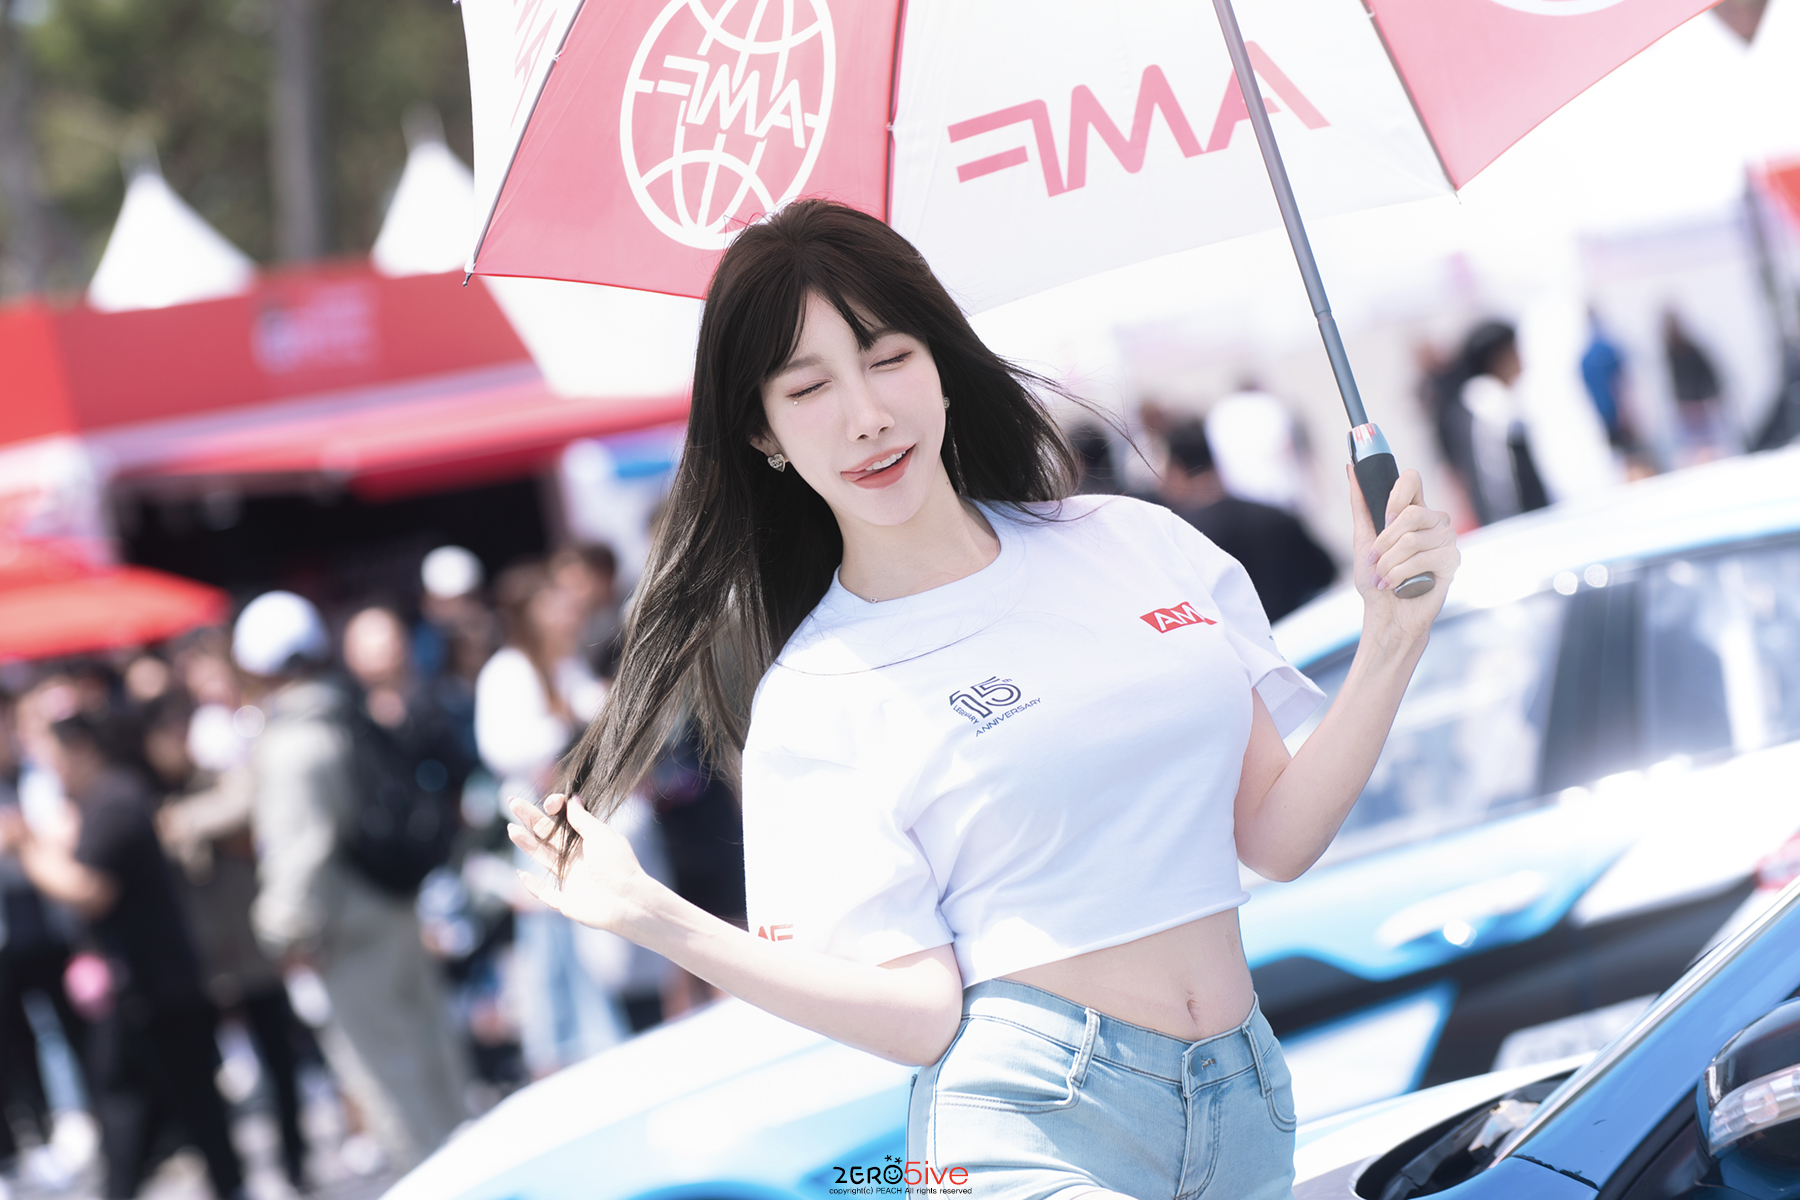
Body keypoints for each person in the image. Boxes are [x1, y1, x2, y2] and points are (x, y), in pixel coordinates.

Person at [502, 201, 1460, 1200]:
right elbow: (919, 1014)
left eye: (888, 359)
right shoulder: (820, 693)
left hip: (1246, 1096)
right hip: (1028, 1130)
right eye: (809, 386)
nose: (866, 415)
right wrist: (654, 918)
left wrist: (1391, 637)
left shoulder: (1134, 544)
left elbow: (1276, 836)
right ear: (763, 431)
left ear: (942, 363)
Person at [236, 591, 467, 1172]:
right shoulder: (347, 710)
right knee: (436, 1060)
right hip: (396, 909)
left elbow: (298, 852)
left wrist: (281, 934)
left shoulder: (291, 741)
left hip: (349, 935)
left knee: (390, 1083)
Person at [0, 712, 247, 1200]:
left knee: (177, 1103)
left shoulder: (114, 799)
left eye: (52, 756)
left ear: (80, 750)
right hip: (138, 986)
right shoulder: (101, 800)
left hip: (155, 984)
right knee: (138, 1105)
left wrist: (24, 847)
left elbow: (88, 890)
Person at [146, 694, 309, 1192]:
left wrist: (186, 822)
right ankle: (230, 1178)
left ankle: (296, 1163)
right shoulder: (147, 791)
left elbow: (244, 804)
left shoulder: (220, 773)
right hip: (199, 958)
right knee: (210, 1074)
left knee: (279, 1058)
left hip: (249, 942)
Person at [475, 563, 623, 1074]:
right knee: (548, 947)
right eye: (553, 606)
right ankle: (555, 1056)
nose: (566, 615)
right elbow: (500, 748)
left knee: (584, 939)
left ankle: (597, 1046)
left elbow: (598, 709)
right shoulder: (507, 671)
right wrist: (560, 728)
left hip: (574, 821)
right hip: (533, 827)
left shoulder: (564, 662)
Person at [1159, 421, 1337, 622]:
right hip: (1301, 630)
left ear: (1177, 467)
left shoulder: (1180, 539)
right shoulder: (1274, 514)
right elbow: (1326, 572)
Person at [1434, 321, 1549, 525]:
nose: (1521, 362)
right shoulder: (1489, 408)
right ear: (1498, 358)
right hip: (1519, 525)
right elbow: (1497, 484)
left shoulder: (1477, 404)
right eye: (1514, 352)